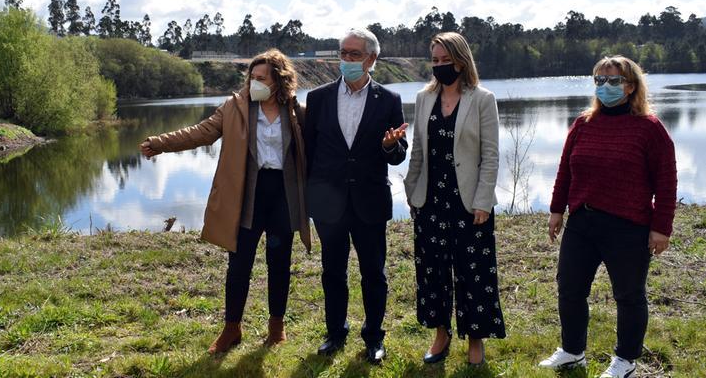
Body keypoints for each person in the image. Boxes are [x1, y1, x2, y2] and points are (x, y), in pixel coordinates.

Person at [140, 49, 311, 354]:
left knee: (279, 261)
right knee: (239, 264)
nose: (254, 83)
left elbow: (320, 144)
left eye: (261, 78)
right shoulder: (235, 107)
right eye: (251, 77)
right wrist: (160, 143)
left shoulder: (297, 111)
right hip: (248, 193)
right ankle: (232, 328)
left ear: (279, 81)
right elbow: (201, 133)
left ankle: (276, 327)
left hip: (283, 194)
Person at [538, 56, 677, 378]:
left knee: (628, 295)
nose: (605, 87)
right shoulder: (583, 124)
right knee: (570, 289)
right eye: (599, 81)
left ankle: (625, 360)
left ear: (630, 86)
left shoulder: (650, 129)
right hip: (582, 224)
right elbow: (565, 172)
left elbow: (667, 182)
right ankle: (573, 352)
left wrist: (661, 228)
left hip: (628, 227)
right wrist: (557, 210)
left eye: (613, 81)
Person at [303, 28, 408, 364]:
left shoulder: (389, 100)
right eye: (343, 53)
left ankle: (374, 337)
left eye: (354, 54)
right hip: (328, 203)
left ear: (371, 59)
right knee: (332, 271)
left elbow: (398, 154)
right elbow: (308, 151)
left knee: (373, 273)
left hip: (370, 201)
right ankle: (335, 332)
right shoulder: (318, 99)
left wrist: (390, 146)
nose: (346, 60)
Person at [403, 32, 506, 366]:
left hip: (469, 202)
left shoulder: (482, 99)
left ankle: (475, 339)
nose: (440, 66)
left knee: (473, 271)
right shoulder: (423, 98)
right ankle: (440, 333)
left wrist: (483, 201)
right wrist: (412, 191)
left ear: (462, 61)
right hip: (430, 200)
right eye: (434, 60)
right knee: (431, 271)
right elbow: (418, 148)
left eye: (446, 60)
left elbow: (490, 156)